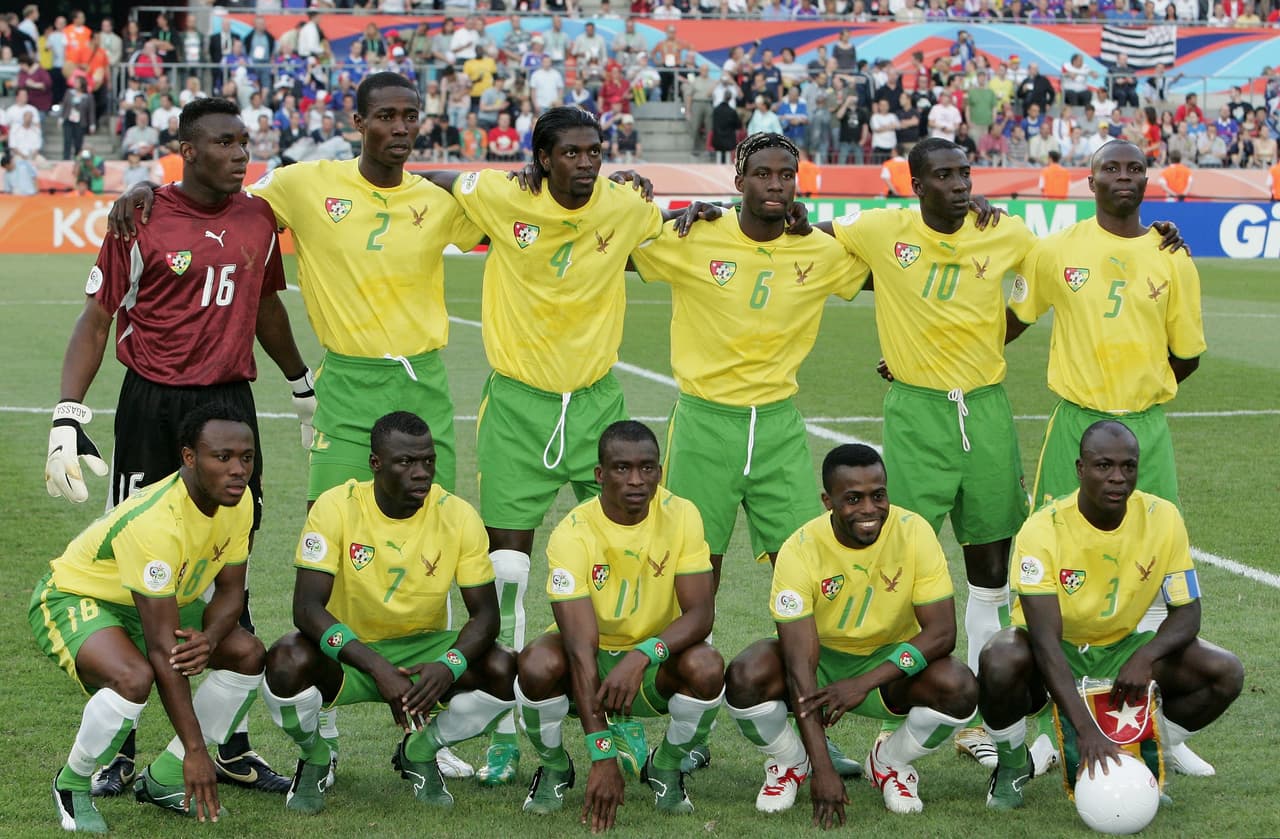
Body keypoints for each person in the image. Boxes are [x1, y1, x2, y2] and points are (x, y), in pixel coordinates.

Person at [108, 72, 487, 783]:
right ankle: (328, 724)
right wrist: (141, 188)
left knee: (432, 538)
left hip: (423, 380)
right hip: (345, 381)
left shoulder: (436, 200)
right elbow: (217, 196)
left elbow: (517, 215)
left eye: (412, 116)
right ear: (357, 119)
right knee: (330, 539)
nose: (401, 127)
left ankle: (426, 732)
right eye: (386, 116)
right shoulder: (305, 183)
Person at [422, 106, 698, 786]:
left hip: (598, 403)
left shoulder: (625, 204)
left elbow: (674, 223)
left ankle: (624, 706)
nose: (586, 163)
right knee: (508, 574)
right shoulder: (499, 196)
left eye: (595, 151)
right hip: (518, 403)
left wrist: (699, 214)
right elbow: (429, 178)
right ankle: (514, 726)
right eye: (570, 153)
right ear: (541, 158)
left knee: (625, 555)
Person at [48, 97, 311, 798]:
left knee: (233, 559)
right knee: (137, 563)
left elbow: (266, 306)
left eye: (245, 140)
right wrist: (68, 413)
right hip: (151, 406)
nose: (240, 153)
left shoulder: (258, 216)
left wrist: (301, 383)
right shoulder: (140, 217)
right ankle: (120, 745)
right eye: (224, 142)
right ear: (186, 150)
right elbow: (99, 314)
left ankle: (227, 742)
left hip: (229, 405)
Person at [629, 132, 870, 775]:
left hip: (781, 428)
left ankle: (813, 721)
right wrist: (651, 200)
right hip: (705, 422)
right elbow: (618, 243)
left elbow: (893, 263)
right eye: (761, 173)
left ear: (797, 182)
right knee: (691, 576)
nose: (774, 185)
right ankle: (688, 725)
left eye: (785, 175)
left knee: (809, 574)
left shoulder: (819, 251)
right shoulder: (693, 238)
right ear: (738, 181)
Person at [820, 136, 1042, 771]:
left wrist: (982, 342)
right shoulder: (882, 229)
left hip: (986, 409)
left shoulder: (1006, 233)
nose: (960, 184)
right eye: (944, 175)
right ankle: (893, 690)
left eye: (965, 173)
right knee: (899, 552)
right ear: (916, 185)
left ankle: (983, 709)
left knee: (992, 562)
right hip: (917, 412)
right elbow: (813, 230)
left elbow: (1039, 289)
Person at [1007, 140, 1214, 775]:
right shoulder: (1056, 250)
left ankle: (1160, 732)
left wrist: (1142, 390)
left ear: (1146, 179)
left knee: (1155, 567)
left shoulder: (1172, 255)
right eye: (1111, 167)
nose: (1124, 176)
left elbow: (1188, 353)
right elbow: (1011, 321)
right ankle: (1042, 733)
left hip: (1145, 426)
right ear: (1089, 178)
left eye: (1134, 167)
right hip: (1075, 422)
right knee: (1050, 574)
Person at [261, 412, 516, 813]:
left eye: (428, 461)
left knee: (504, 668)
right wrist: (377, 667)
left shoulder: (458, 515)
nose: (421, 473)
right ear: (375, 464)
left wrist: (448, 664)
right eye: (406, 463)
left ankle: (421, 749)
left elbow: (486, 617)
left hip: (421, 655)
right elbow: (306, 608)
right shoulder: (336, 506)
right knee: (284, 661)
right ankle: (314, 757)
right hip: (350, 654)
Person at [978, 422, 1243, 809]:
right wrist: (1085, 730)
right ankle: (1013, 764)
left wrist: (1145, 656)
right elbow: (1045, 641)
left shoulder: (1163, 518)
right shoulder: (1042, 529)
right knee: (1000, 658)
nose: (1118, 478)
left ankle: (1136, 751)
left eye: (1128, 466)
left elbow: (1188, 613)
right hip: (1053, 650)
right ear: (1080, 468)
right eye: (1104, 466)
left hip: (1121, 646)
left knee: (1225, 672)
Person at [31, 403, 270, 832]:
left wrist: (212, 639)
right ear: (189, 458)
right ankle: (72, 783)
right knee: (133, 678)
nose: (238, 470)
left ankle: (163, 778)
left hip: (160, 600)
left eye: (246, 458)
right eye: (223, 458)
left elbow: (233, 592)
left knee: (247, 653)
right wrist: (199, 751)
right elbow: (164, 650)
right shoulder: (157, 522)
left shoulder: (240, 501)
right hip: (78, 596)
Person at [724, 444, 978, 822]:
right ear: (828, 501)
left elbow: (942, 633)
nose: (869, 510)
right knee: (746, 675)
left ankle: (889, 763)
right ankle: (792, 763)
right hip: (821, 662)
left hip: (889, 666)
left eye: (878, 495)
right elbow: (798, 667)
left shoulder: (914, 532)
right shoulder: (799, 549)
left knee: (959, 686)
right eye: (853, 499)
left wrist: (863, 682)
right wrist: (822, 769)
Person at [515, 421, 722, 827]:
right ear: (600, 475)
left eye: (647, 469)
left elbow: (701, 613)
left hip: (650, 663)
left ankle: (665, 766)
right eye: (622, 468)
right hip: (587, 663)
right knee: (536, 664)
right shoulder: (572, 533)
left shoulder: (681, 514)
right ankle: (555, 767)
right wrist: (602, 753)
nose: (636, 480)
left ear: (659, 472)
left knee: (708, 666)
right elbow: (578, 649)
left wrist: (644, 654)